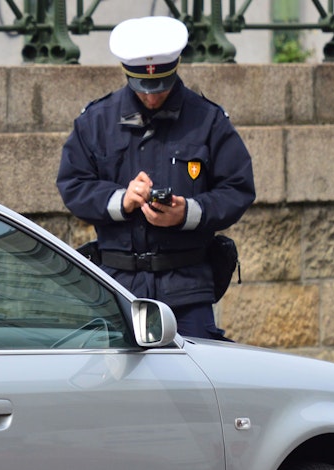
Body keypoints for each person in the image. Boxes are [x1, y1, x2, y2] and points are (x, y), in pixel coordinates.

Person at [57, 15, 256, 340]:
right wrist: (120, 200)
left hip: (187, 288)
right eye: (143, 87)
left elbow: (238, 188)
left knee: (196, 384)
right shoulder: (96, 122)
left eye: (160, 87)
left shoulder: (207, 120)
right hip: (118, 288)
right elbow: (73, 184)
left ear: (175, 69)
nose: (152, 97)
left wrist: (188, 212)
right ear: (128, 74)